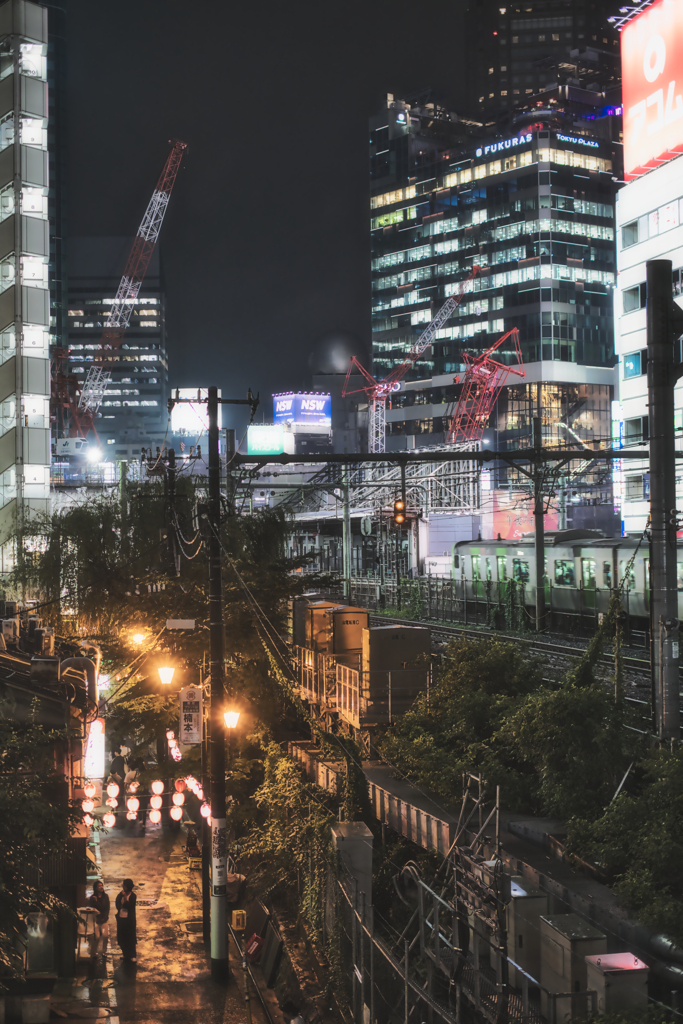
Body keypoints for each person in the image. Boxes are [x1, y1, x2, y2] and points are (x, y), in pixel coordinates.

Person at [115, 878, 137, 962]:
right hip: (121, 919)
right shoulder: (120, 894)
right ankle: (125, 954)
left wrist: (125, 898)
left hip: (129, 921)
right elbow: (117, 904)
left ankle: (132, 955)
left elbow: (129, 905)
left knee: (130, 937)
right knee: (122, 937)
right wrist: (121, 905)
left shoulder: (133, 896)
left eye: (124, 885)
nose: (122, 886)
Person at [87, 880, 110, 957]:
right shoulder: (92, 898)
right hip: (95, 920)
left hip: (104, 919)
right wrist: (95, 901)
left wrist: (105, 917)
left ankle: (104, 951)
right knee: (96, 937)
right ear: (96, 888)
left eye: (102, 885)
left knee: (105, 936)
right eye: (99, 886)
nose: (101, 887)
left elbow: (106, 908)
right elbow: (92, 909)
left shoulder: (105, 897)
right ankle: (93, 952)